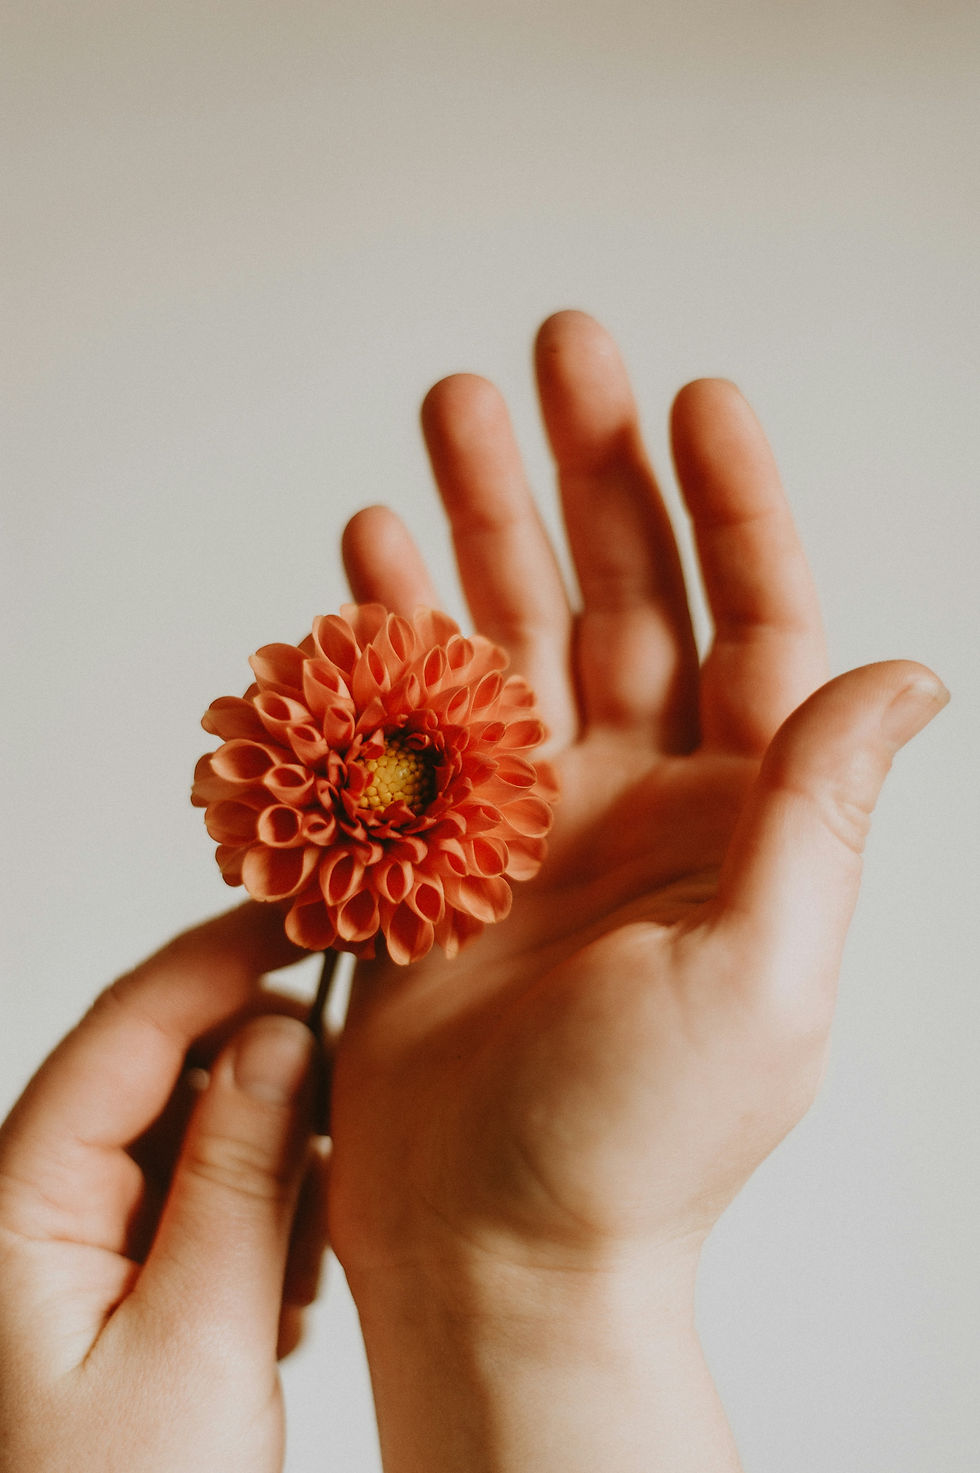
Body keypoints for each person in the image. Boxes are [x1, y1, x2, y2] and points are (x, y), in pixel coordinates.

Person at [0, 312, 947, 1472]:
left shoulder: (462, 789)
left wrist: (524, 1275)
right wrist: (526, 1286)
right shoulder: (306, 787)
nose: (391, 780)